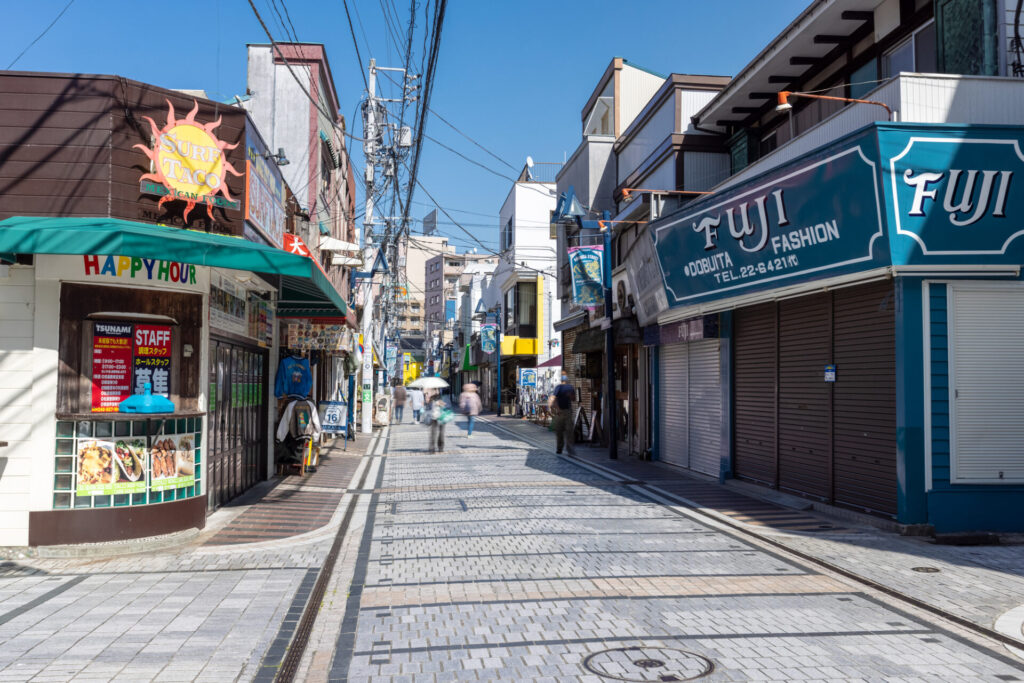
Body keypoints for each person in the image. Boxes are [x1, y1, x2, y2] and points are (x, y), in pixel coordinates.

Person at [549, 374, 576, 455]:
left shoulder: (559, 387)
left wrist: (556, 408)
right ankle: (568, 448)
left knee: (559, 431)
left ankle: (560, 448)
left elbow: (553, 398)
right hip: (567, 411)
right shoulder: (569, 387)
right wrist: (570, 396)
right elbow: (574, 399)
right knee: (569, 431)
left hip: (560, 412)